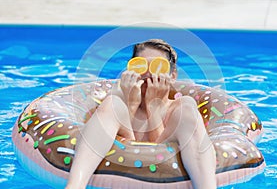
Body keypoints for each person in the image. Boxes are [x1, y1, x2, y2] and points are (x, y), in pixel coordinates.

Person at [65, 39, 216, 189]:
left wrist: (153, 108)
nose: (149, 74)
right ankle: (74, 186)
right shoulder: (116, 104)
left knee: (188, 106)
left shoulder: (178, 110)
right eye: (141, 66)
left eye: (158, 67)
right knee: (112, 103)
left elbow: (157, 155)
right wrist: (131, 105)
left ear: (173, 76)